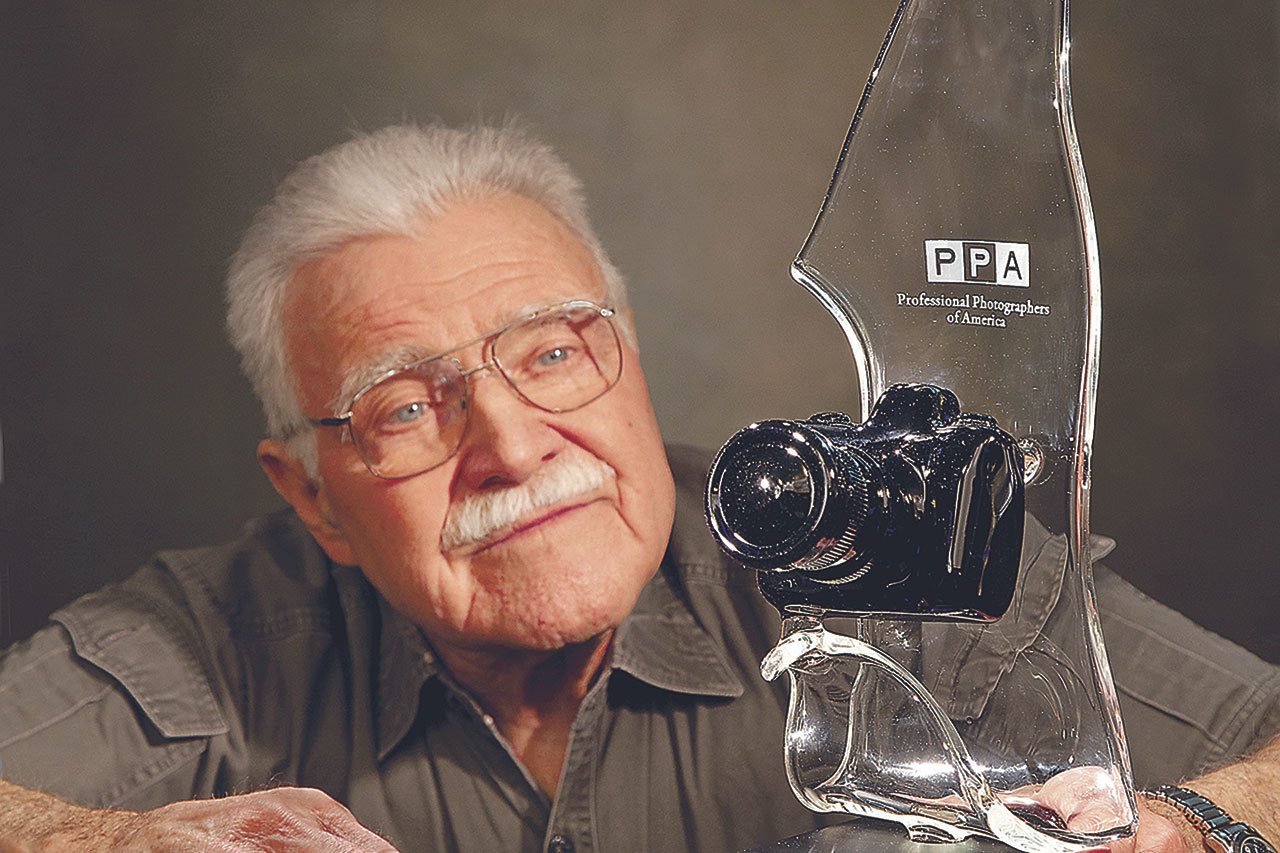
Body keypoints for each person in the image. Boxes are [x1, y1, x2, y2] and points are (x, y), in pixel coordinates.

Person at [0, 123, 1276, 852]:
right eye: (404, 405)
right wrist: (110, 841)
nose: (512, 441)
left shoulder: (892, 548)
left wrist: (1184, 830)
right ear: (315, 498)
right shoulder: (205, 642)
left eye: (553, 349)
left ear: (628, 357)